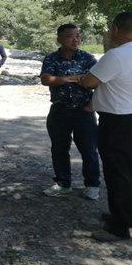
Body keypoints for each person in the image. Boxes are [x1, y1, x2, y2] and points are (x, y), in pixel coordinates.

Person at [79, 12, 132, 242]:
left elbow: (90, 81)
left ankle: (118, 228)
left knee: (117, 173)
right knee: (128, 170)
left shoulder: (117, 55)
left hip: (117, 121)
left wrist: (82, 78)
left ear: (116, 30)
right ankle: (126, 216)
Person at [40, 24, 100, 200]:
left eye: (77, 36)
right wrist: (72, 78)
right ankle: (63, 184)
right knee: (59, 149)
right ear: (59, 39)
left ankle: (92, 185)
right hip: (59, 111)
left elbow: (98, 83)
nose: (75, 40)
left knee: (89, 150)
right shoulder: (51, 58)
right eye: (70, 36)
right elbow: (46, 79)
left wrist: (90, 105)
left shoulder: (87, 59)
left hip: (84, 111)